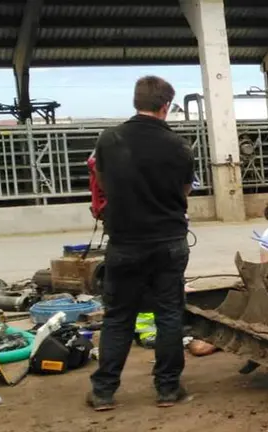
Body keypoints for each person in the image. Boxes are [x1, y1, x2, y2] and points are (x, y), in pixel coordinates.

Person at [87, 75, 194, 411]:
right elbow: (184, 192)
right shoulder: (179, 146)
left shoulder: (110, 139)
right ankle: (167, 389)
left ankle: (103, 392)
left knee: (118, 317)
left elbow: (102, 182)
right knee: (168, 315)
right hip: (169, 242)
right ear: (165, 106)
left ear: (136, 101)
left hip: (125, 243)